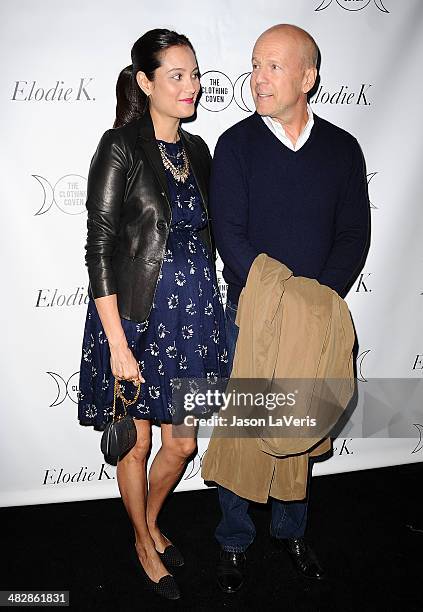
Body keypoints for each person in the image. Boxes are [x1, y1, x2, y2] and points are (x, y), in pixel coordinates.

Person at [206, 24, 370, 593]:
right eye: (254, 65)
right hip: (250, 312)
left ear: (308, 76)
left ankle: (291, 530)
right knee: (245, 428)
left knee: (299, 425)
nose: (257, 78)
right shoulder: (236, 144)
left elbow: (354, 235)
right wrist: (281, 301)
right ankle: (233, 540)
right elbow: (230, 235)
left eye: (272, 66)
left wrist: (315, 302)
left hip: (318, 316)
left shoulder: (343, 148)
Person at [77, 28, 228, 601]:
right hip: (135, 322)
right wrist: (117, 344)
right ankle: (144, 540)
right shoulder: (120, 146)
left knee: (181, 445)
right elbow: (99, 248)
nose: (192, 85)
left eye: (194, 74)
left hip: (191, 322)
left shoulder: (198, 152)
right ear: (146, 82)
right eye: (177, 75)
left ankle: (151, 519)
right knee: (136, 445)